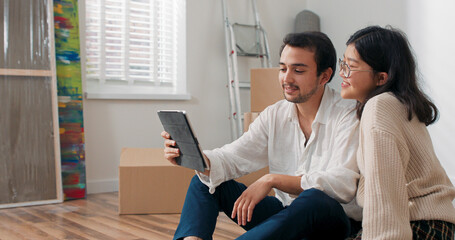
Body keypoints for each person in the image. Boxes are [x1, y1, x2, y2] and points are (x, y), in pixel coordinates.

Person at [162, 31, 362, 240]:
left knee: (314, 199)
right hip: (287, 214)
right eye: (283, 68)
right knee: (205, 182)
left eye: (298, 70)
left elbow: (343, 184)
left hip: (333, 221)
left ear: (325, 76)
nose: (287, 78)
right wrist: (196, 156)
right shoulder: (275, 114)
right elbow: (235, 156)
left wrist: (272, 180)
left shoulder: (348, 114)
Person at [339, 25, 455, 239]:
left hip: (417, 227)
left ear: (381, 78)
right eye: (343, 63)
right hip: (435, 226)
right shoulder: (400, 105)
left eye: (350, 67)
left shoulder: (379, 106)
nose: (342, 73)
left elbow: (383, 191)